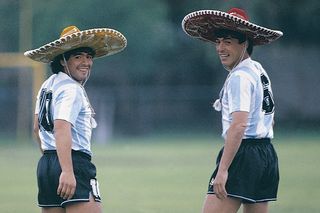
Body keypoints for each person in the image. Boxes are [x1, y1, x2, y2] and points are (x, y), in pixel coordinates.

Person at [182, 8, 283, 213]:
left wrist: (224, 169)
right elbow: (269, 119)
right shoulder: (258, 69)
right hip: (266, 154)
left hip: (243, 155)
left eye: (227, 41)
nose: (220, 48)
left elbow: (239, 126)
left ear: (244, 43)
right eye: (218, 42)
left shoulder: (240, 76)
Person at [24, 25, 127, 213]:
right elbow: (62, 127)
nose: (85, 62)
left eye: (89, 57)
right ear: (63, 60)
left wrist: (53, 163)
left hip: (47, 165)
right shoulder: (72, 88)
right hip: (73, 163)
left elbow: (36, 129)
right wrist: (67, 170)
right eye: (78, 57)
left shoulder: (47, 84)